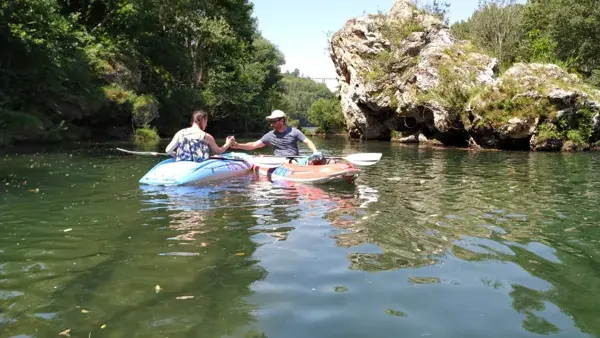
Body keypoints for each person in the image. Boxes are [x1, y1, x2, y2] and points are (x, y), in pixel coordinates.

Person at [230, 110, 325, 164]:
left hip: (294, 159)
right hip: (279, 161)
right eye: (270, 122)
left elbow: (308, 142)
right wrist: (237, 145)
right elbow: (254, 145)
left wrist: (315, 152)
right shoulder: (269, 135)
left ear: (282, 121)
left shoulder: (295, 132)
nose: (271, 124)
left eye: (273, 121)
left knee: (319, 159)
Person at [165, 109, 233, 162]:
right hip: (198, 167)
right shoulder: (206, 136)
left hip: (181, 164)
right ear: (203, 119)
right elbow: (218, 151)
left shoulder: (180, 133)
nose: (206, 125)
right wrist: (227, 144)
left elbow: (168, 150)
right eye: (206, 121)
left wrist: (176, 155)